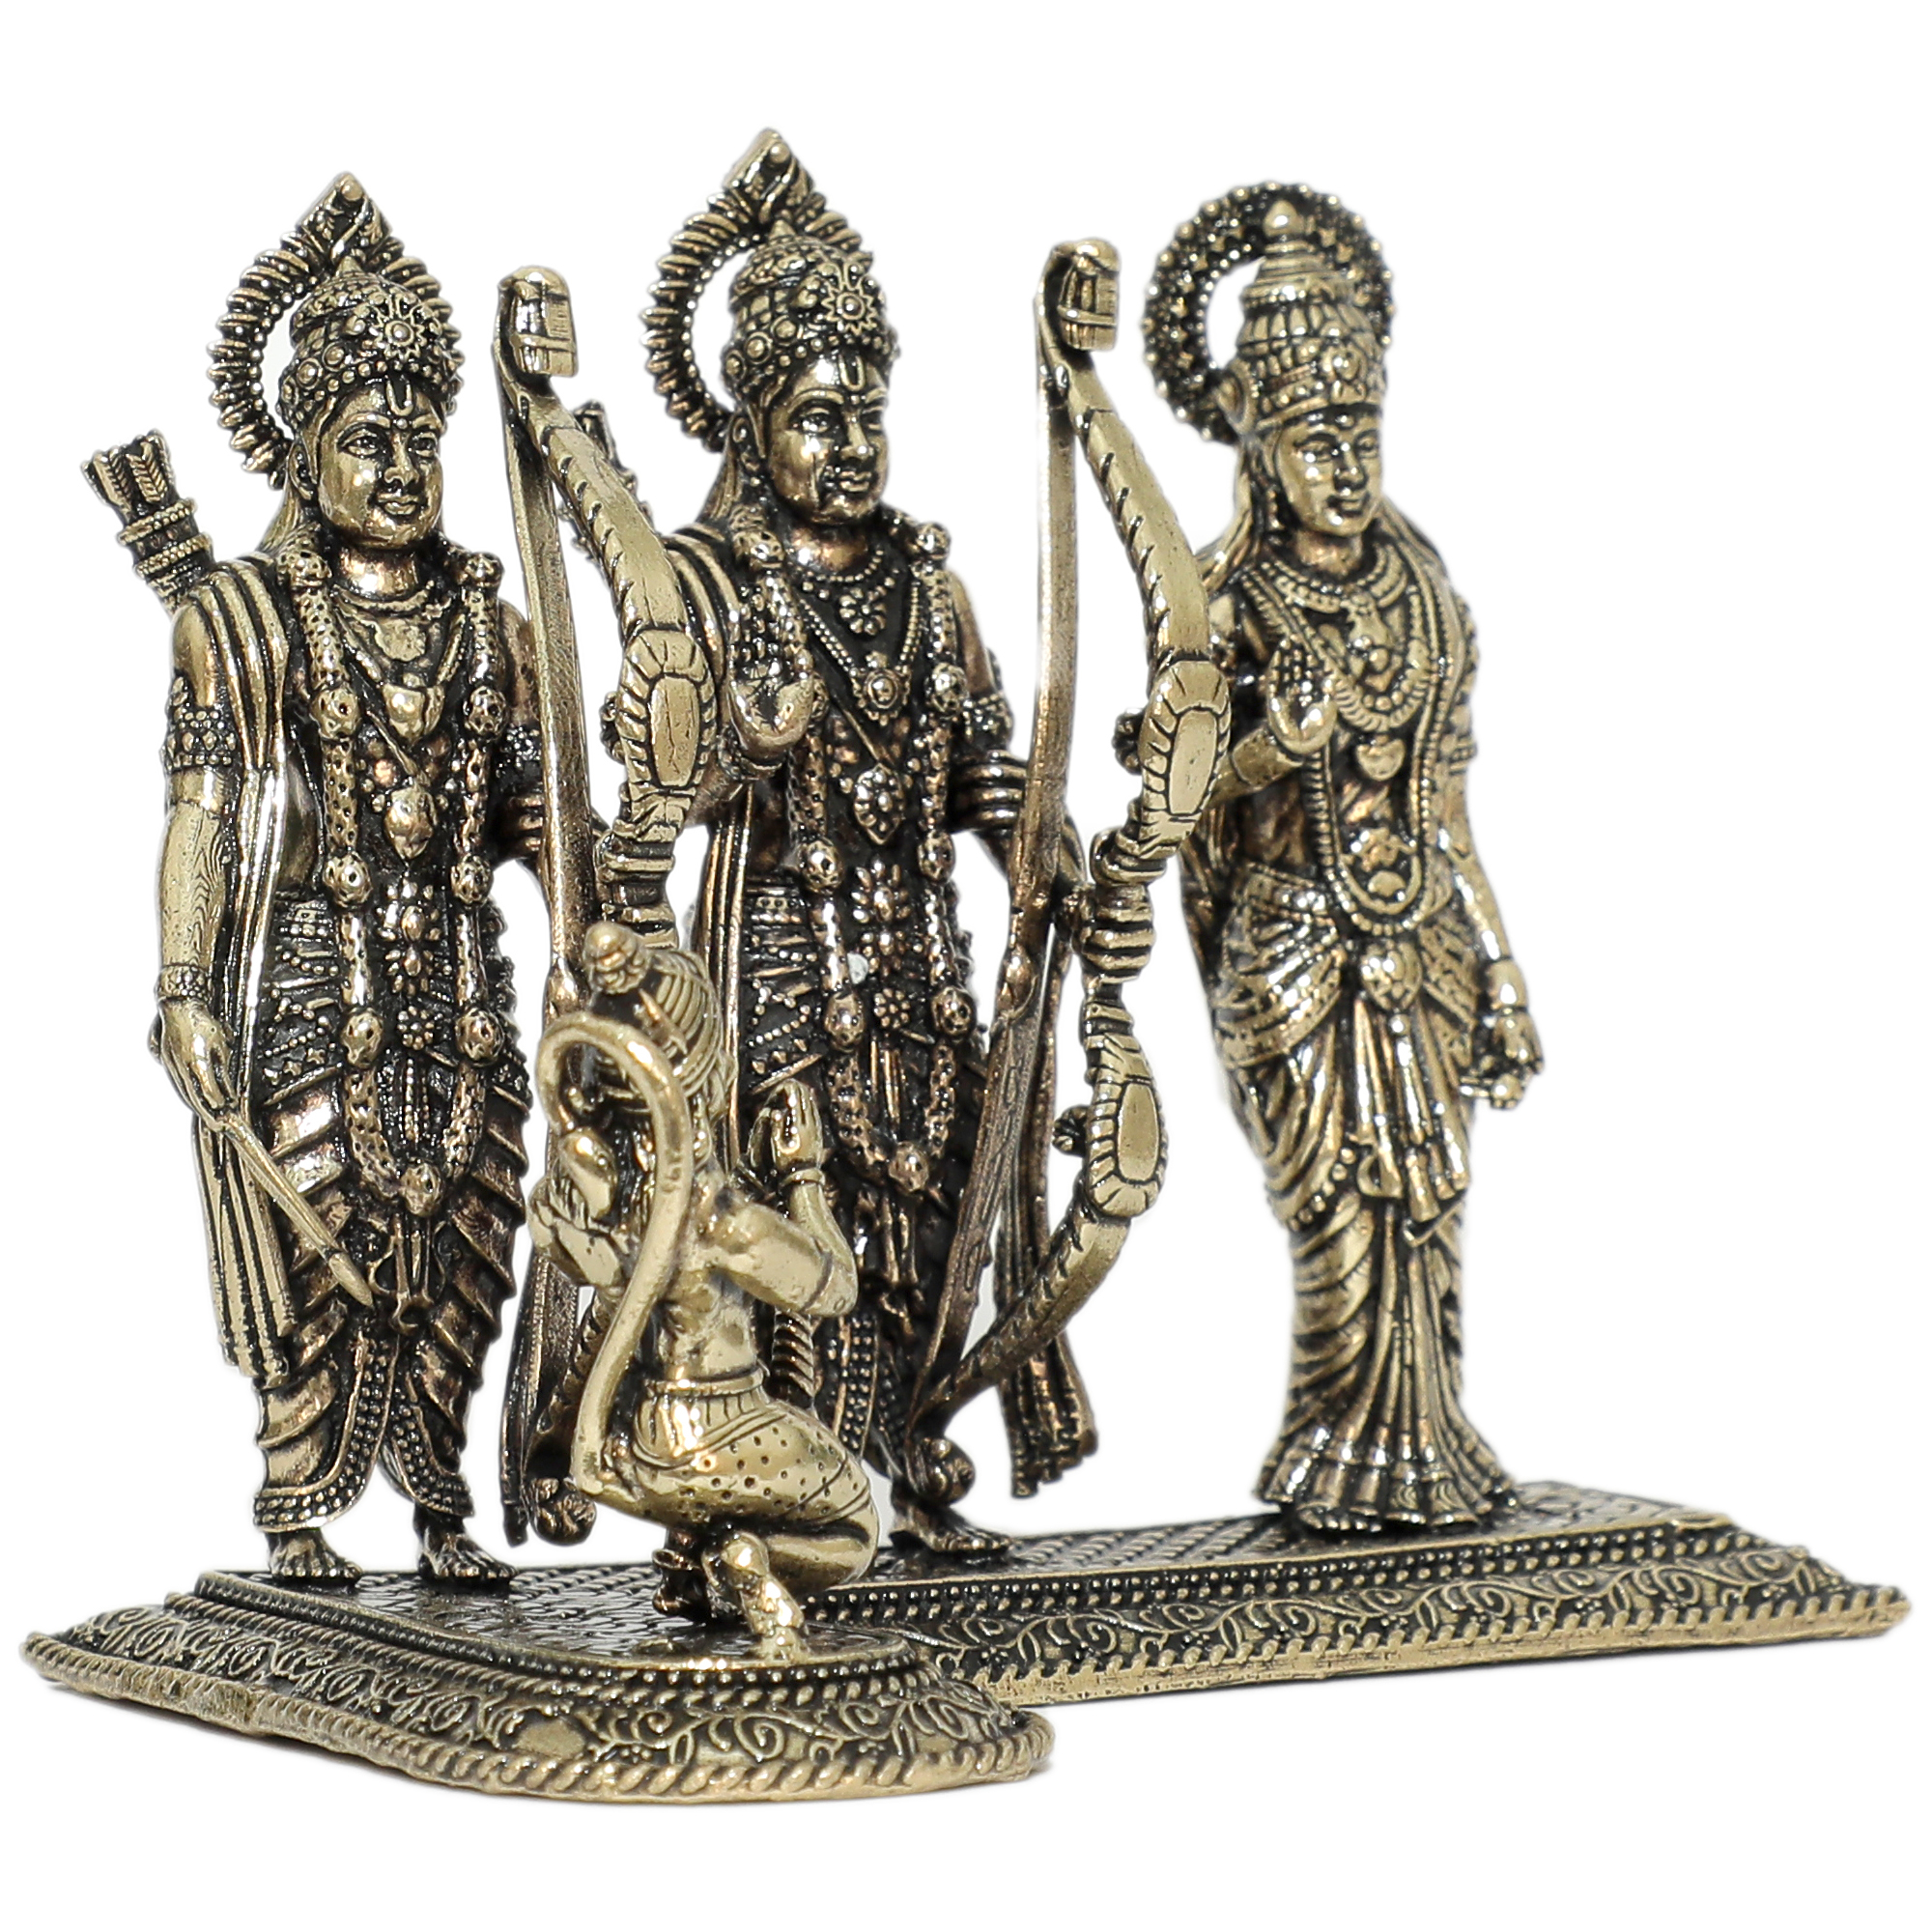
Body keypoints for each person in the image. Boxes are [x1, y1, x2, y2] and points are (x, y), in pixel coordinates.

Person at [609, 134, 1094, 1550]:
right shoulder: (709, 582)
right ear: (750, 427)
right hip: (777, 967)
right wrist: (744, 748)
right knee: (794, 1225)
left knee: (929, 1208)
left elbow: (984, 767)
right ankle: (788, 1498)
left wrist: (1041, 843)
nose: (851, 446)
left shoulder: (929, 587)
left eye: (867, 414)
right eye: (817, 418)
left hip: (915, 954)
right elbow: (658, 788)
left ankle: (913, 1468)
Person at [154, 179, 541, 1579]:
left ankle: (441, 1500)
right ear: (303, 450)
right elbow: (202, 812)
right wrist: (185, 985)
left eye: (423, 440)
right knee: (321, 1228)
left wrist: (600, 916)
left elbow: (530, 811)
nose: (403, 470)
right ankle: (301, 1509)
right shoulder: (241, 621)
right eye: (369, 442)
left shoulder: (492, 621)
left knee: (472, 1233)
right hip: (318, 982)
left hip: (465, 984)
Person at [1146, 185, 1544, 1531]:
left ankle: (1423, 1443)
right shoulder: (1223, 603)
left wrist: (1500, 974)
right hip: (1291, 948)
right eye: (1317, 441)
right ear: (1259, 446)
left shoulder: (1422, 598)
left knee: (1426, 1203)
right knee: (1332, 1207)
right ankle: (1337, 1445)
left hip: (1416, 937)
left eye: (1362, 436)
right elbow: (1172, 801)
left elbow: (1445, 809)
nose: (1347, 467)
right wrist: (1271, 743)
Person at [527, 923, 876, 1631]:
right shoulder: (722, 1221)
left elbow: (580, 1258)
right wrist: (803, 1174)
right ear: (715, 1082)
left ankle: (697, 1557)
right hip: (715, 1435)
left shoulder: (605, 1199)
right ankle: (743, 1558)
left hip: (634, 1432)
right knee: (855, 1530)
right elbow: (836, 1287)